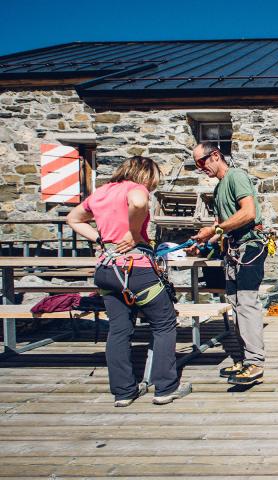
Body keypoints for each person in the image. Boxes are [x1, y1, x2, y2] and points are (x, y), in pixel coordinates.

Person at [67, 156, 192, 407]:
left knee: (119, 329)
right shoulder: (135, 188)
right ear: (144, 175)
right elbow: (138, 201)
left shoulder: (101, 192)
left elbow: (73, 219)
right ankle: (166, 387)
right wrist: (133, 233)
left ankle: (124, 392)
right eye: (153, 181)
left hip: (106, 268)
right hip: (136, 269)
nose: (152, 187)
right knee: (164, 323)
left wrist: (101, 239)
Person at [189, 142, 269, 385]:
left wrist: (213, 229)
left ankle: (255, 363)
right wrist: (203, 241)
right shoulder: (219, 188)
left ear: (215, 155)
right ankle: (246, 358)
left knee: (246, 303)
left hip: (250, 247)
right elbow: (223, 225)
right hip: (234, 248)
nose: (200, 168)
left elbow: (248, 213)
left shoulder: (236, 176)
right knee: (236, 304)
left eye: (201, 162)